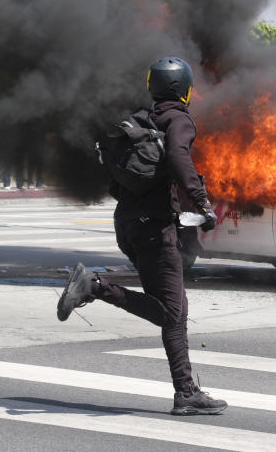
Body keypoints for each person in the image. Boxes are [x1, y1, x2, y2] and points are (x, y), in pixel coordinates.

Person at [57, 56, 226, 416]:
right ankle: (94, 285)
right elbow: (180, 158)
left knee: (175, 311)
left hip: (129, 224)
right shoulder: (178, 120)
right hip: (155, 230)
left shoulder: (140, 120)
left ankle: (186, 392)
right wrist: (202, 203)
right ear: (184, 89)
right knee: (169, 313)